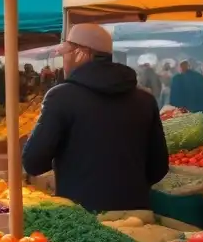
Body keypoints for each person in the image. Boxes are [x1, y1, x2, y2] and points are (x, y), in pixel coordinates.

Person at [23, 24, 168, 212]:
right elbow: (159, 167)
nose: (63, 61)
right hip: (136, 216)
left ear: (82, 53)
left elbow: (33, 162)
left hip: (82, 221)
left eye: (66, 53)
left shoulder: (61, 97)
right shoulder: (145, 99)